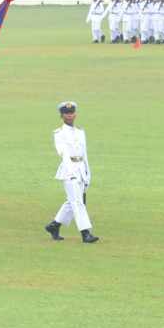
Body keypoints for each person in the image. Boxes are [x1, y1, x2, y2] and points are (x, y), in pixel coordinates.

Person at [45, 101, 97, 244]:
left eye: (71, 113)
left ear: (75, 114)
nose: (69, 115)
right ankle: (85, 233)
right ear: (61, 116)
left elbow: (84, 154)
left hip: (81, 170)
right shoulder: (59, 133)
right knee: (78, 202)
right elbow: (63, 153)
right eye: (66, 113)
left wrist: (87, 173)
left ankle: (54, 226)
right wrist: (72, 172)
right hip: (69, 171)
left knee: (72, 201)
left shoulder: (80, 132)